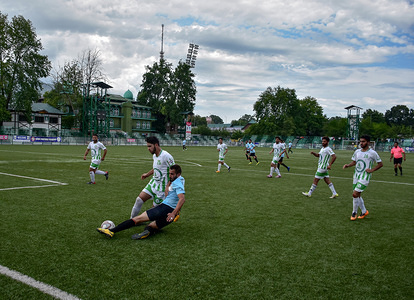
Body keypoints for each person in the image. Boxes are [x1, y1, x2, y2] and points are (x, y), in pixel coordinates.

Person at [97, 164, 185, 240]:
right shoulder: (180, 179)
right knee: (151, 226)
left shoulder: (177, 183)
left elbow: (182, 199)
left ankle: (111, 231)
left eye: (172, 174)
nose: (170, 176)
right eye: (169, 173)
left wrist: (173, 213)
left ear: (178, 174)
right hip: (169, 216)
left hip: (164, 209)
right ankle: (148, 232)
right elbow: (172, 182)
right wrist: (176, 211)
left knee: (137, 219)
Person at [130, 136, 175, 218]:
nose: (148, 148)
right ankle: (132, 220)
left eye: (150, 146)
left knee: (154, 212)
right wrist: (147, 174)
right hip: (153, 183)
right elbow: (157, 168)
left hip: (162, 187)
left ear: (156, 145)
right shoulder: (155, 155)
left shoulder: (166, 156)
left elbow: (174, 171)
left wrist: (168, 186)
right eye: (147, 146)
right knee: (139, 200)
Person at [343, 135, 383, 221]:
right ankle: (364, 211)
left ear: (368, 143)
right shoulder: (357, 151)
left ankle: (354, 212)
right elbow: (354, 162)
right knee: (358, 194)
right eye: (360, 141)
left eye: (363, 141)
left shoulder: (372, 153)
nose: (361, 143)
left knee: (354, 194)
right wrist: (348, 165)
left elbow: (380, 164)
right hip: (356, 175)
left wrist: (372, 170)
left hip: (365, 176)